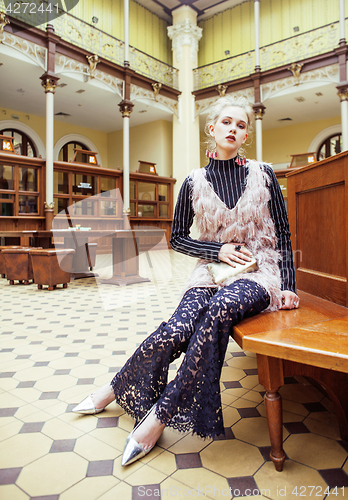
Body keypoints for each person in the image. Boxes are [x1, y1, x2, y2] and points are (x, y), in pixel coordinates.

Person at [72, 95, 299, 466]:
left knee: (220, 310)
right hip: (210, 272)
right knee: (176, 329)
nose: (234, 129)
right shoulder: (193, 181)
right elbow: (177, 238)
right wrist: (216, 251)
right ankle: (113, 388)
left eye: (241, 126)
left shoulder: (264, 173)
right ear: (212, 129)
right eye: (227, 122)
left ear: (246, 136)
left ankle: (159, 417)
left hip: (260, 271)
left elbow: (285, 234)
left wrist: (288, 285)